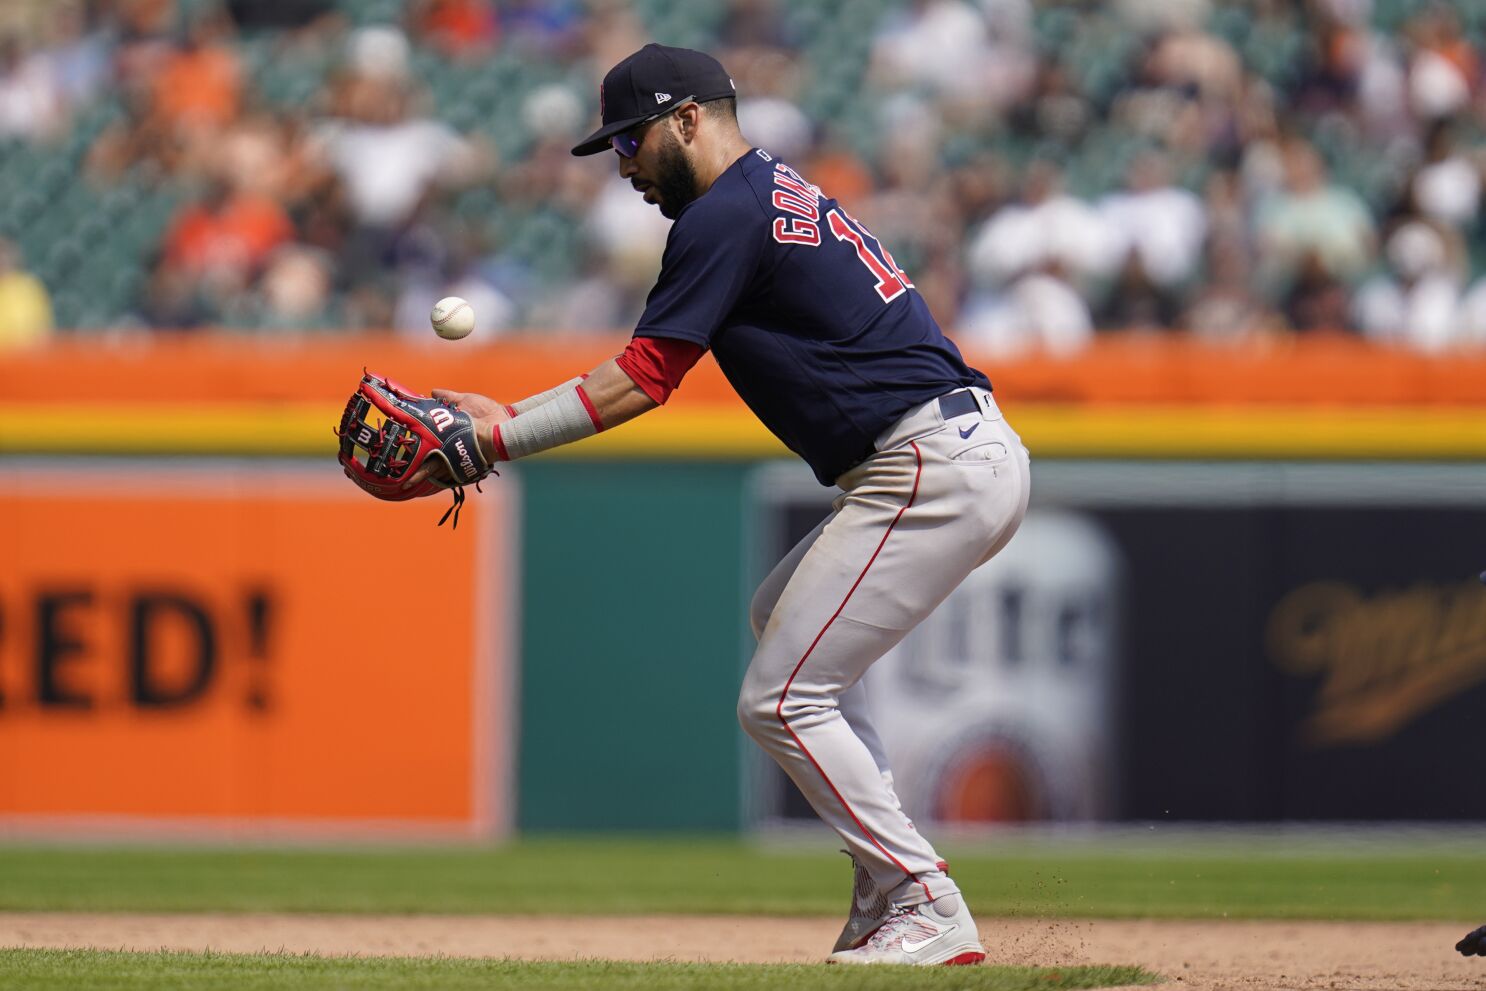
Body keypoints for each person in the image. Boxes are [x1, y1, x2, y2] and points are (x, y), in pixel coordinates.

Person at [410, 44, 1030, 966]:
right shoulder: (762, 193)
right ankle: (884, 887)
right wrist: (506, 416)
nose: (623, 164)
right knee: (779, 617)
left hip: (927, 460)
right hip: (944, 451)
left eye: (631, 138)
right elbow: (640, 370)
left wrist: (492, 441)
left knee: (781, 697)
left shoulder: (721, 213)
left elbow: (642, 381)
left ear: (688, 118)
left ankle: (922, 897)